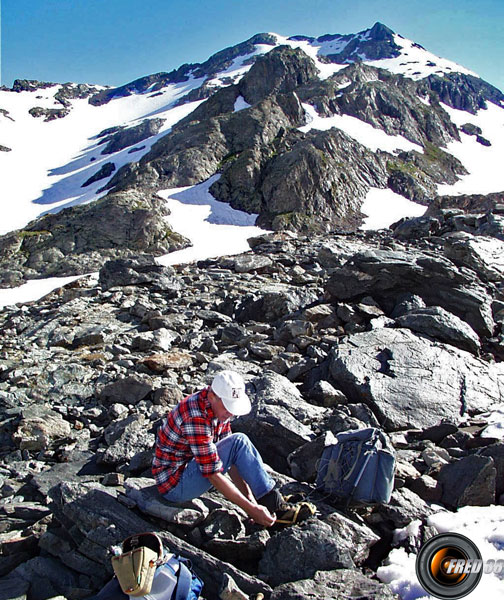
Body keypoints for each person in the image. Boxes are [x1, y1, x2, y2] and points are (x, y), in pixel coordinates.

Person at [152, 370, 297, 527]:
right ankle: (274, 506)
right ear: (212, 396)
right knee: (238, 440)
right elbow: (212, 473)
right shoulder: (195, 416)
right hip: (174, 486)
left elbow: (232, 457)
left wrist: (250, 501)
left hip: (189, 467)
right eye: (228, 407)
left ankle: (270, 500)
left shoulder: (218, 409)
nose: (230, 413)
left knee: (238, 442)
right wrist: (251, 509)